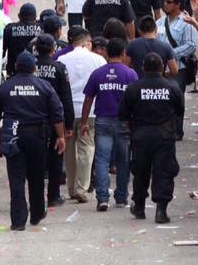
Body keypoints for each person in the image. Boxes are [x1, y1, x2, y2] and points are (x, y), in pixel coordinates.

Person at [0, 51, 66, 231]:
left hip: (13, 136)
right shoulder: (44, 86)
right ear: (34, 68)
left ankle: (18, 220)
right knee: (36, 176)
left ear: (15, 67)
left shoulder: (6, 87)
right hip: (37, 137)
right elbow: (57, 114)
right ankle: (37, 213)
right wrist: (60, 136)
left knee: (16, 179)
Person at [119, 53, 184, 224]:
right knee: (164, 171)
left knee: (140, 171)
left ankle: (139, 205)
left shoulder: (133, 88)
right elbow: (179, 111)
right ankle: (161, 210)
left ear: (143, 68)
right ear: (163, 68)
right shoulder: (172, 87)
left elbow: (123, 114)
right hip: (164, 135)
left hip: (141, 135)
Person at [79, 38, 139, 211]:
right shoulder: (130, 74)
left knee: (102, 160)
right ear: (123, 54)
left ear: (106, 53)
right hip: (124, 123)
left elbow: (88, 99)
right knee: (123, 161)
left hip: (102, 121)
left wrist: (84, 122)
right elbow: (135, 100)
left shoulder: (98, 73)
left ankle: (103, 198)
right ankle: (121, 197)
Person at [59, 28, 106, 203]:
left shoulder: (62, 59)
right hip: (90, 111)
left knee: (69, 151)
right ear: (87, 43)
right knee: (87, 148)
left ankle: (71, 188)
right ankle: (82, 188)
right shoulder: (98, 59)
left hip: (67, 111)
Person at [33, 34, 74, 207]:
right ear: (53, 49)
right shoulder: (58, 68)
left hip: (33, 118)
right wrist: (69, 124)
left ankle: (36, 196)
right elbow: (66, 98)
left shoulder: (30, 66)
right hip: (54, 119)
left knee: (35, 159)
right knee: (56, 156)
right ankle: (53, 195)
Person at [156, 0, 198, 137]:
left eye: (168, 2)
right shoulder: (160, 22)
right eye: (164, 1)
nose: (165, 4)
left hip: (178, 68)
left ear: (178, 5)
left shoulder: (187, 22)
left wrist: (170, 54)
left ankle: (176, 131)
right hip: (161, 69)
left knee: (176, 98)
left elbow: (192, 45)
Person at [2, 3, 43, 78]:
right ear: (35, 17)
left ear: (19, 16)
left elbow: (2, 52)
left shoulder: (9, 29)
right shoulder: (42, 29)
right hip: (37, 73)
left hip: (14, 73)